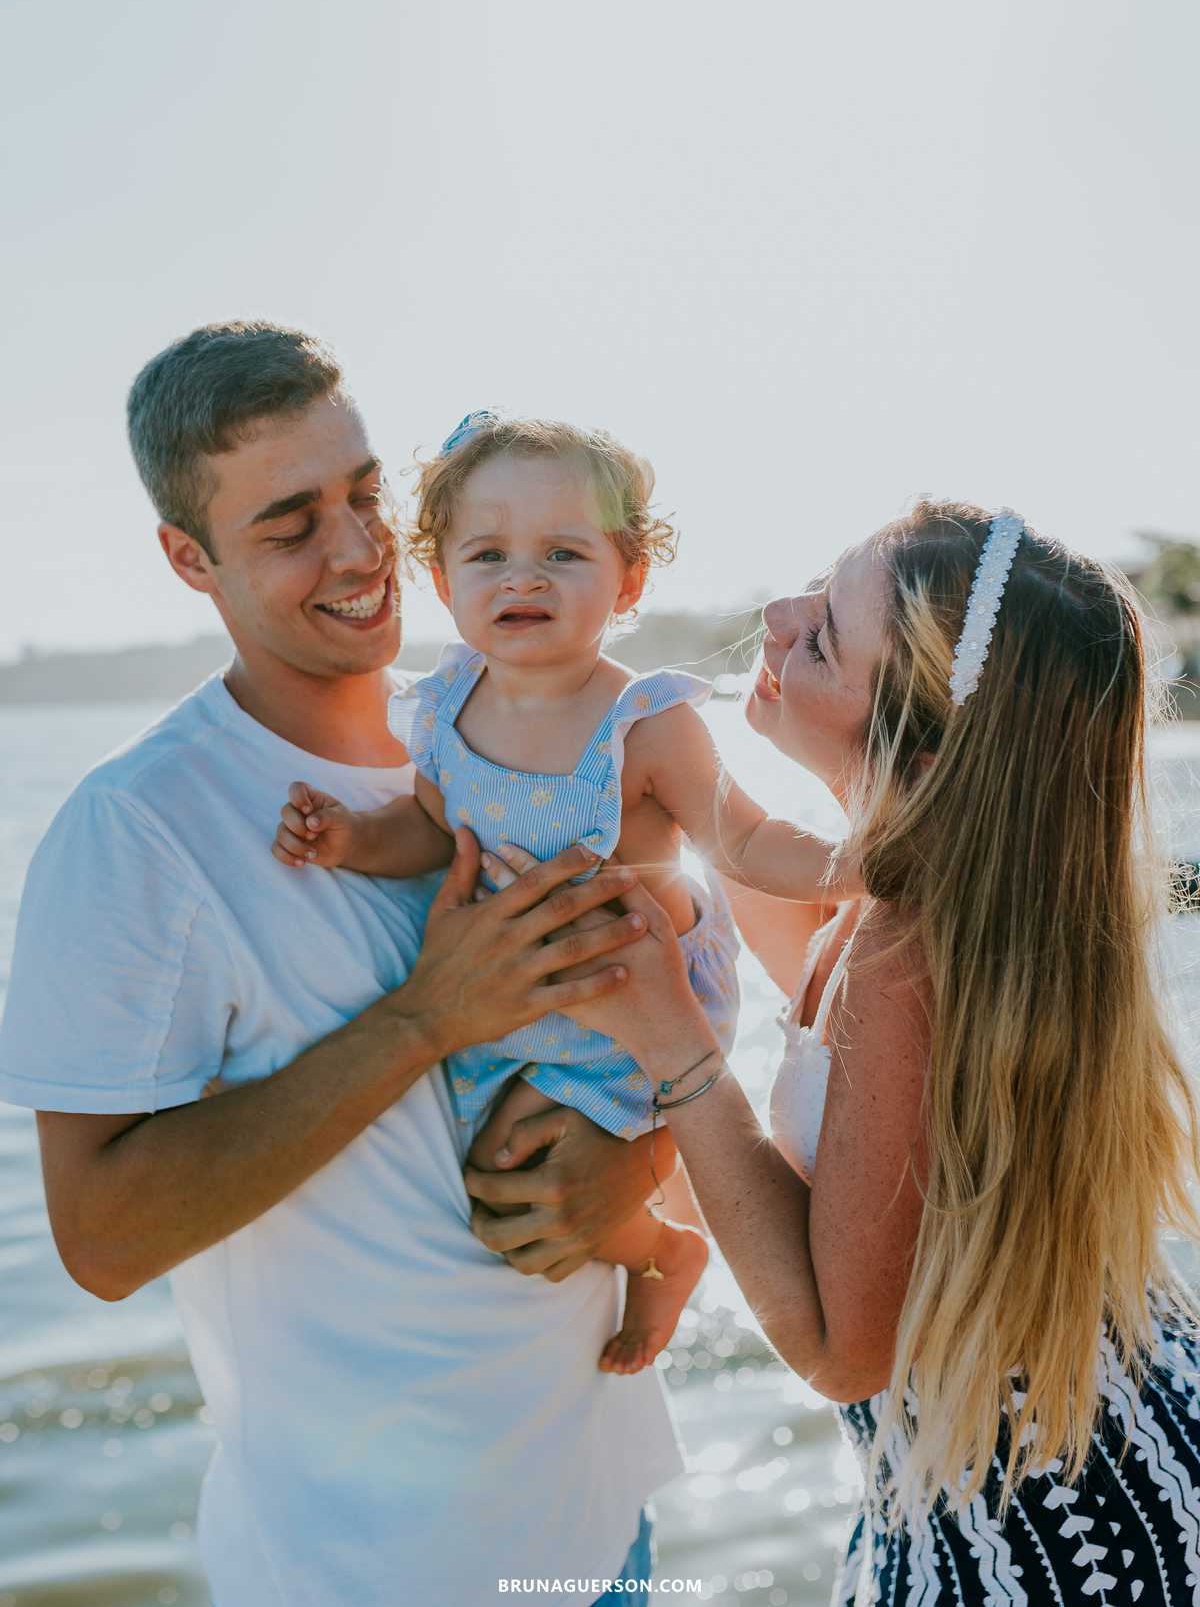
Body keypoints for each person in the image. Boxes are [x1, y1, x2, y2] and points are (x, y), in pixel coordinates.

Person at [0, 322, 690, 1607]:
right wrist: (426, 1017)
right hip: (380, 1571)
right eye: (291, 523)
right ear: (188, 558)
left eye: (365, 491)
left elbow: (665, 1024)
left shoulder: (498, 730)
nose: (363, 548)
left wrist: (643, 1171)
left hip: (600, 1532)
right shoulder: (138, 827)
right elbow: (97, 1239)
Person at [492, 499, 1200, 1603]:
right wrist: (592, 700)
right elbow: (738, 878)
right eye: (815, 586)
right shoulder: (941, 902)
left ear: (918, 747)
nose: (776, 617)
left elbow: (839, 1350)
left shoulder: (905, 951)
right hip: (1079, 1447)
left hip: (1047, 1538)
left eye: (823, 633)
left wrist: (671, 1038)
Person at [270, 408, 855, 1374]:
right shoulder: (449, 703)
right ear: (441, 579)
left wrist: (852, 865)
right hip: (516, 1007)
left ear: (627, 579)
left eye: (563, 553)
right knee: (493, 1182)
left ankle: (666, 1250)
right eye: (488, 554)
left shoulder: (643, 721)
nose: (523, 577)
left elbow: (743, 839)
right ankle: (648, 1249)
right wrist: (348, 838)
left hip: (632, 1010)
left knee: (531, 1170)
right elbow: (431, 828)